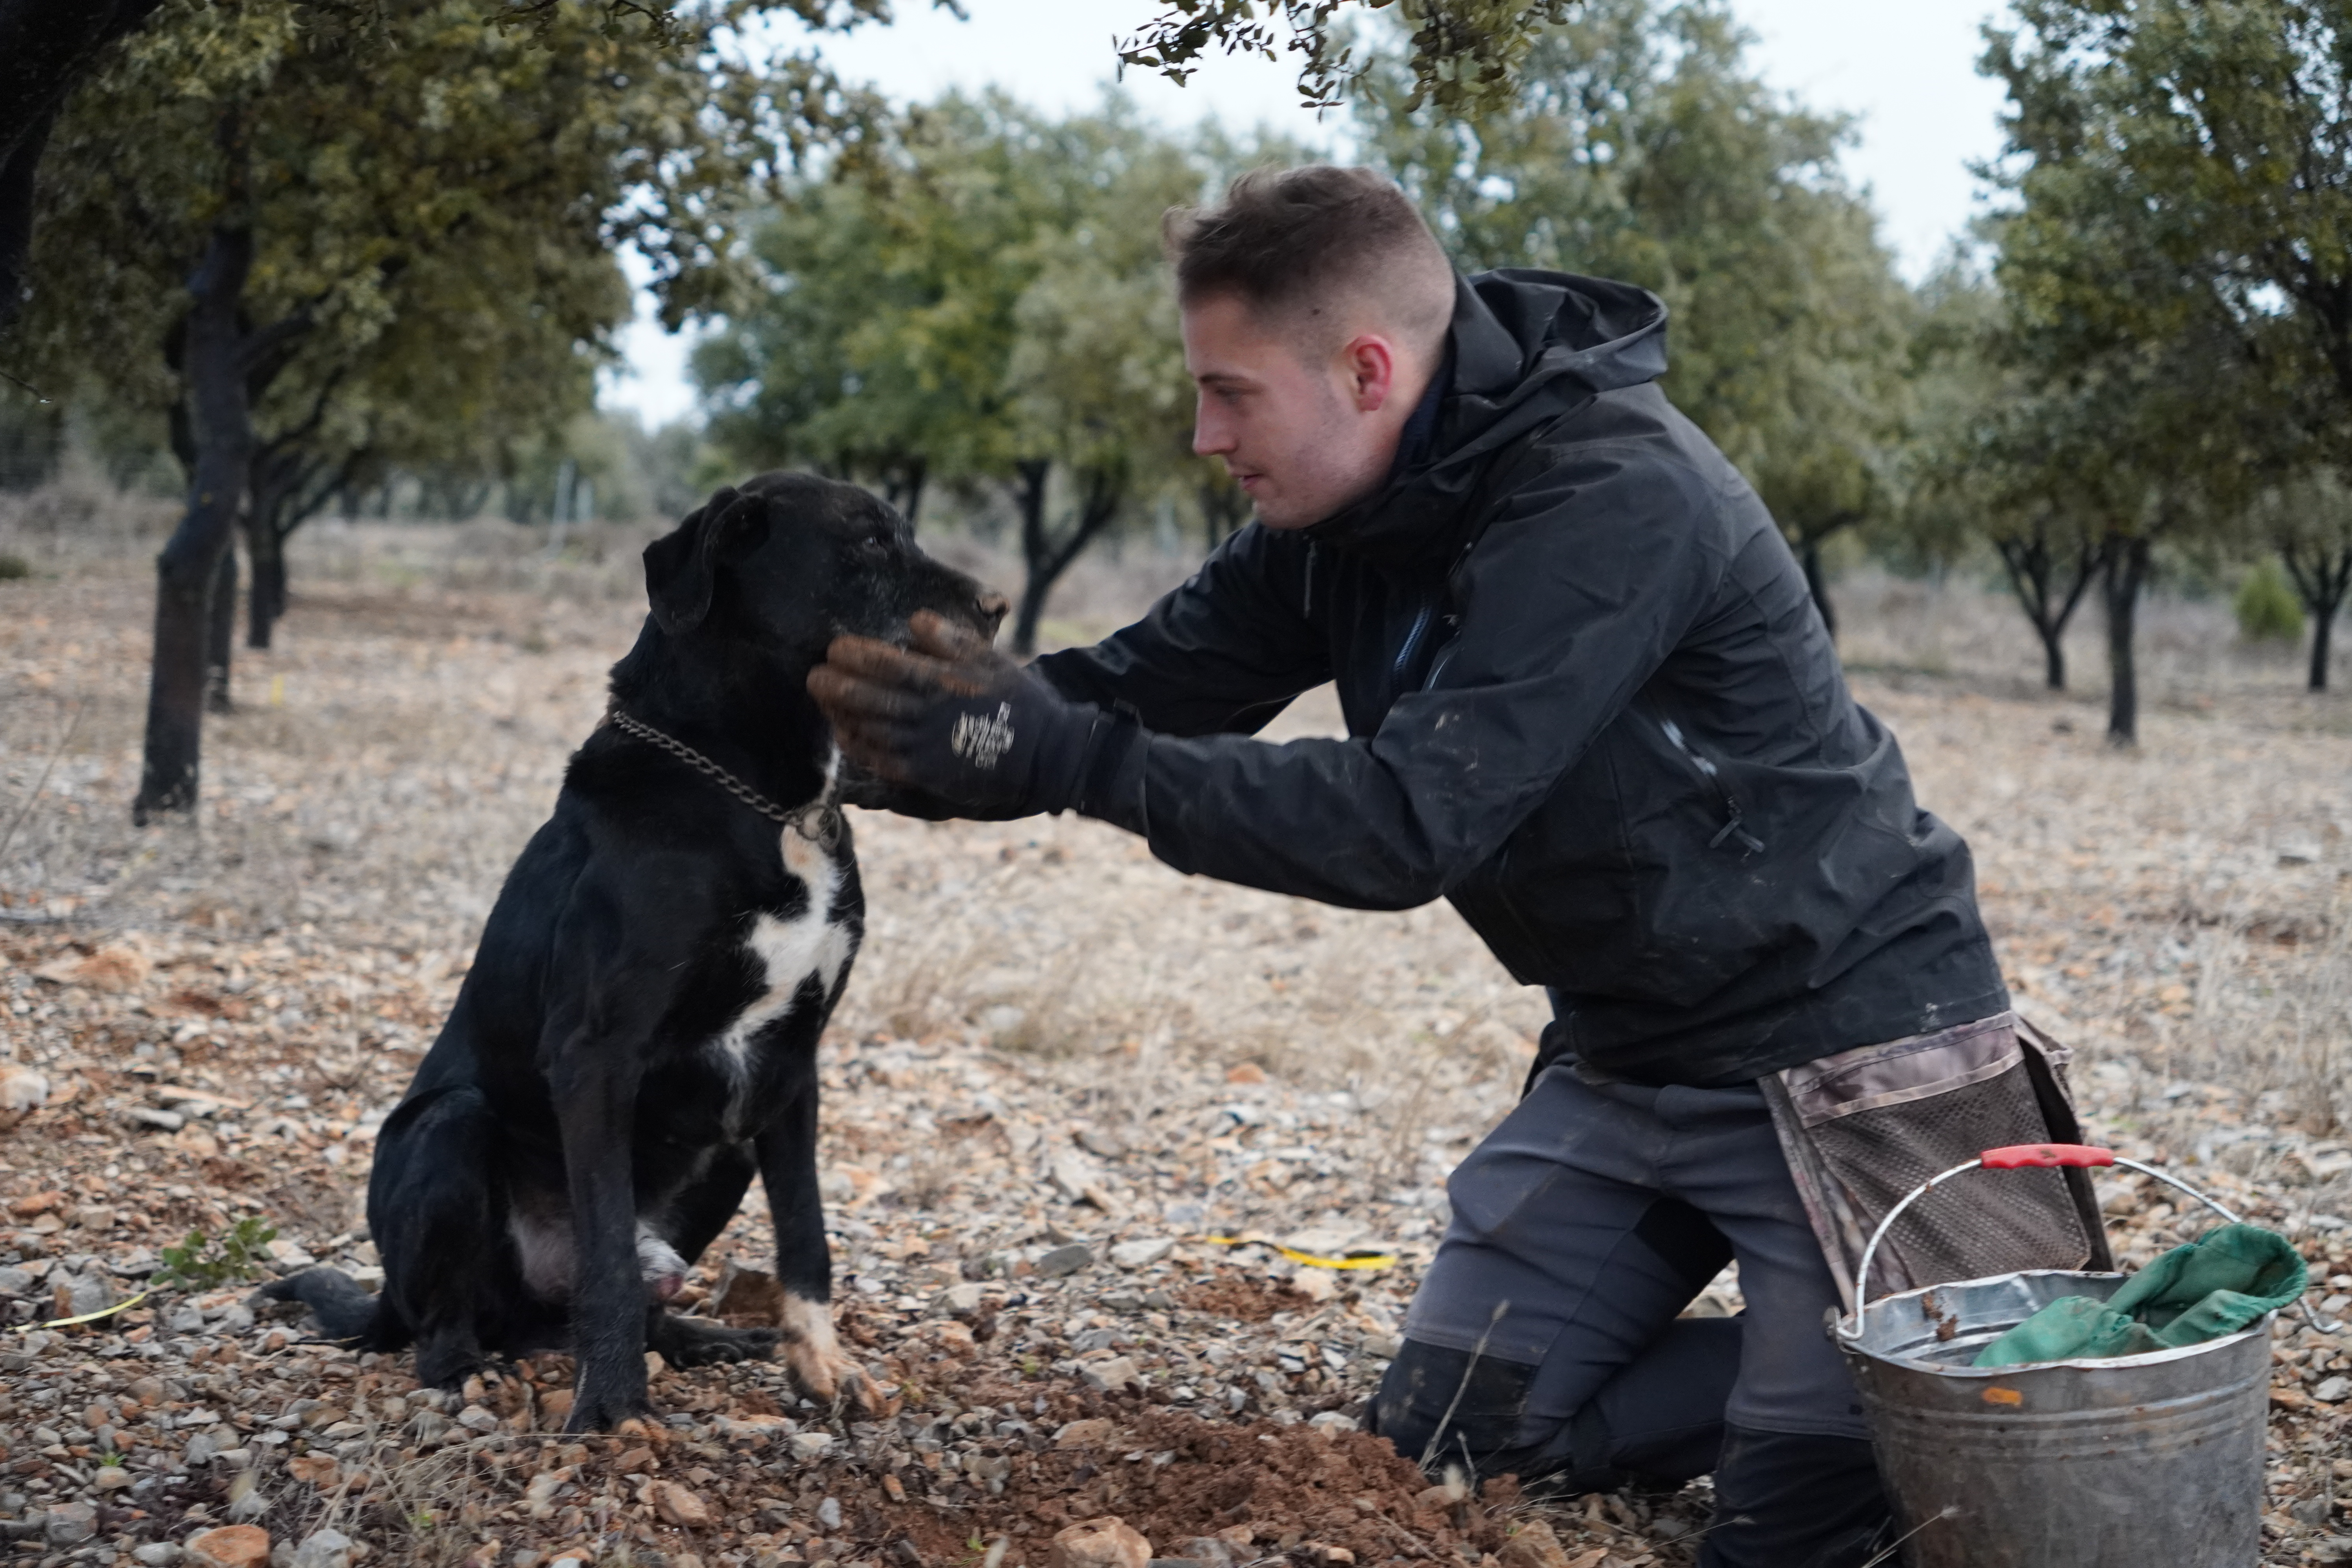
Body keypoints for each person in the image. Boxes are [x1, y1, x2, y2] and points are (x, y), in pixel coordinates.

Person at [806, 166, 2081, 1568]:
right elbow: (1131, 692)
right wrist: (857, 761)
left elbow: (1406, 823)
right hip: (1628, 1059)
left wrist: (1063, 759)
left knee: (1794, 1533)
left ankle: (1899, 1352)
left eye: (1231, 393)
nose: (1200, 432)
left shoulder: (1616, 494)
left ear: (1364, 368)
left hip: (1854, 1062)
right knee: (1447, 1453)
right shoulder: (1333, 522)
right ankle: (1830, 1354)